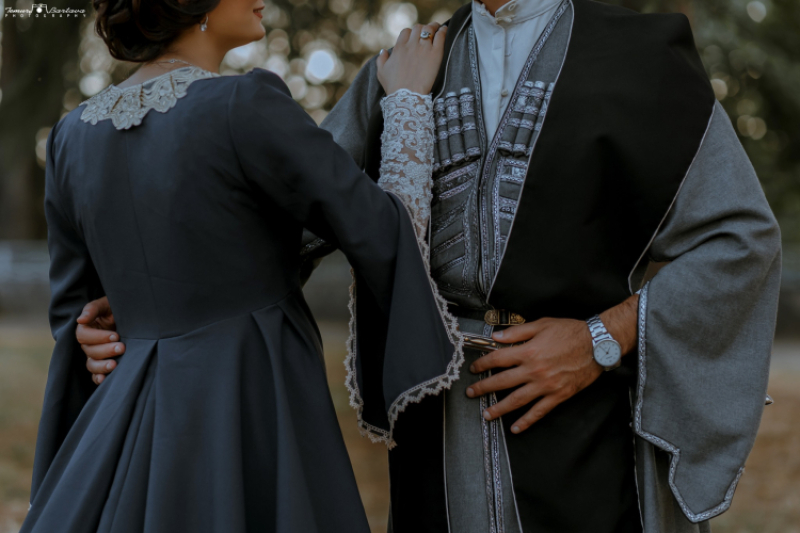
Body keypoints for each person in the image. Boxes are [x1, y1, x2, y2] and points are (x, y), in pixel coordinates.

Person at [80, 0, 783, 531]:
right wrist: (139, 306)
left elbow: (740, 240)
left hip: (586, 429)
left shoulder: (643, 57)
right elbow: (278, 237)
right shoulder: (401, 70)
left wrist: (600, 338)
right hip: (433, 436)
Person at [22, 0, 461, 529]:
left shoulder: (70, 136)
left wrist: (96, 332)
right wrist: (408, 100)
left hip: (122, 427)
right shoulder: (244, 104)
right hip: (253, 401)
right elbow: (385, 232)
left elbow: (76, 318)